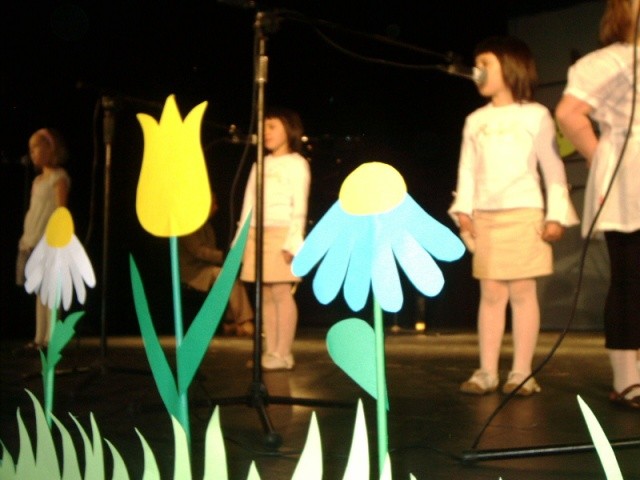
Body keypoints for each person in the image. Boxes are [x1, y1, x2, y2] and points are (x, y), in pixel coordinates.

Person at [449, 36, 579, 396]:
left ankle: (522, 373)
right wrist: (463, 210)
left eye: (485, 64)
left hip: (524, 214)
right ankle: (486, 372)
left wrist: (555, 215)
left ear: (510, 67)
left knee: (522, 291)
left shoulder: (535, 115)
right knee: (491, 293)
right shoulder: (475, 120)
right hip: (486, 217)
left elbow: (553, 168)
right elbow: (467, 170)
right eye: (477, 64)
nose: (478, 71)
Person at [556, 0, 640, 409]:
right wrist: (599, 156)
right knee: (631, 279)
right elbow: (570, 113)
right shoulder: (610, 60)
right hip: (630, 172)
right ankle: (627, 380)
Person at [237, 107, 311, 371]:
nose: (266, 133)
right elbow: (248, 203)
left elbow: (300, 205)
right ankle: (271, 351)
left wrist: (294, 241)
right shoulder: (260, 163)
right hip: (257, 233)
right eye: (264, 127)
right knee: (265, 294)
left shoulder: (297, 163)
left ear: (288, 129)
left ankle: (283, 352)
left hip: (282, 232)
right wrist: (240, 240)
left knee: (280, 291)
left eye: (272, 127)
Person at [16, 128, 71, 350]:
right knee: (40, 291)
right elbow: (34, 211)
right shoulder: (38, 181)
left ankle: (53, 338)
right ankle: (40, 337)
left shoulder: (59, 177)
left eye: (36, 148)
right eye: (30, 150)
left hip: (49, 240)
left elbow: (60, 210)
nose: (32, 154)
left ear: (50, 148)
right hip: (33, 239)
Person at [179, 190, 254, 336]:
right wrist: (224, 256)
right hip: (193, 272)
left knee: (232, 273)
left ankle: (230, 322)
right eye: (213, 204)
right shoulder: (187, 227)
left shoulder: (207, 227)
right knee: (225, 275)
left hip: (207, 268)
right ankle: (243, 320)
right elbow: (199, 252)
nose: (216, 208)